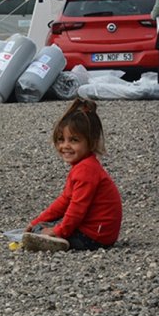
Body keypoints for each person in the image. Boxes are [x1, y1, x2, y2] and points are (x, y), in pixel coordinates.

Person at [22, 99, 123, 252]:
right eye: (61, 140)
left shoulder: (86, 170)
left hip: (94, 237)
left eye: (74, 140)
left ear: (92, 142)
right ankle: (52, 236)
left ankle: (59, 242)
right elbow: (64, 201)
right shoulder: (83, 166)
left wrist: (57, 232)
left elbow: (77, 209)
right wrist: (37, 221)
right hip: (100, 233)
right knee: (40, 226)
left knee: (42, 230)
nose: (65, 146)